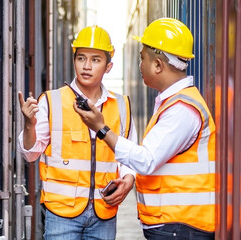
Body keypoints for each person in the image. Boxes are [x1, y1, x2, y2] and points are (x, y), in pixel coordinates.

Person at [73, 18, 216, 240]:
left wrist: (101, 129)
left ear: (158, 65)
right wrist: (131, 178)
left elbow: (147, 159)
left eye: (142, 59)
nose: (139, 65)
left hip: (182, 226)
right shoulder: (174, 103)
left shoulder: (182, 110)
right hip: (175, 225)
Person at [17, 25, 137, 239]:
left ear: (108, 66)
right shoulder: (52, 101)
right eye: (81, 58)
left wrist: (128, 180)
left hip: (104, 211)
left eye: (95, 60)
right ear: (74, 61)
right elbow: (30, 153)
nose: (87, 66)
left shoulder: (121, 106)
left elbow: (128, 156)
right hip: (61, 213)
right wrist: (29, 125)